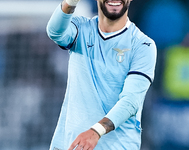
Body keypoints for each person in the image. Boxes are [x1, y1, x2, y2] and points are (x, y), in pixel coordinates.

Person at [46, 0, 157, 149]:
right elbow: (55, 32)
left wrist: (95, 131)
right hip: (71, 144)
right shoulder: (81, 29)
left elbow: (130, 102)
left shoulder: (142, 45)